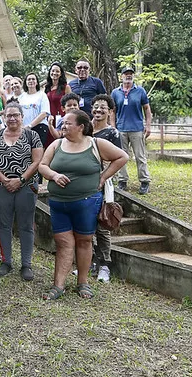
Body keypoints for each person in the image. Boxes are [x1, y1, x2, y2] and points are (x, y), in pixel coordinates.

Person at [38, 110, 128, 300]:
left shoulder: (96, 144)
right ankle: (58, 285)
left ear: (81, 126)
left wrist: (103, 177)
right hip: (59, 203)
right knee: (63, 242)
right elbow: (42, 166)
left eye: (68, 123)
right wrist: (54, 175)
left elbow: (122, 157)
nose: (64, 126)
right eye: (63, 123)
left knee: (84, 241)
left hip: (87, 203)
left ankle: (83, 282)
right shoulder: (57, 144)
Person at [0, 102, 43, 281]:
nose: (12, 118)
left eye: (15, 115)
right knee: (3, 225)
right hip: (1, 186)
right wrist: (4, 180)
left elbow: (37, 161)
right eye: (8, 115)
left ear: (22, 117)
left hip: (27, 186)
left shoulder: (32, 135)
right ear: (4, 117)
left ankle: (26, 264)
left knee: (26, 225)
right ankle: (6, 261)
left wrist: (21, 180)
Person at [90, 94, 122, 283]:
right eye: (96, 106)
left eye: (103, 107)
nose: (98, 110)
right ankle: (90, 263)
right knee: (85, 225)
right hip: (84, 182)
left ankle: (104, 265)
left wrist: (103, 177)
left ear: (110, 112)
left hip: (102, 183)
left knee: (102, 225)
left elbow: (118, 159)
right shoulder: (85, 129)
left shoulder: (112, 134)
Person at [111, 66, 153, 194]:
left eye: (130, 74)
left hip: (137, 129)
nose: (128, 76)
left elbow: (147, 109)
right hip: (121, 129)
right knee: (121, 156)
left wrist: (148, 126)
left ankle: (144, 181)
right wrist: (113, 127)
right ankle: (122, 181)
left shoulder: (140, 91)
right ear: (121, 76)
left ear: (133, 76)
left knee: (140, 156)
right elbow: (112, 111)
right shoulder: (115, 92)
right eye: (126, 74)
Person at [19, 73, 51, 147]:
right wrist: (22, 126)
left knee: (37, 151)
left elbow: (44, 113)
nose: (31, 81)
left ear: (37, 82)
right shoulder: (21, 97)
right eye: (29, 79)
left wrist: (30, 126)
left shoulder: (42, 95)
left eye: (33, 79)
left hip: (39, 127)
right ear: (25, 82)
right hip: (23, 129)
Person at [44, 62, 72, 128]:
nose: (54, 73)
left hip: (61, 118)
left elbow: (70, 104)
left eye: (57, 71)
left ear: (61, 74)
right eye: (53, 71)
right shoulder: (47, 88)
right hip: (49, 118)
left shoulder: (66, 87)